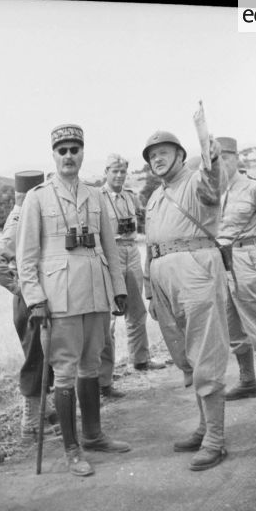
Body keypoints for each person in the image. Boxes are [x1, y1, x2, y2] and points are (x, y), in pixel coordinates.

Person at [17, 124, 131, 476]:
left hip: (96, 293)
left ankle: (94, 435)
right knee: (64, 372)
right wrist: (35, 299)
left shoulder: (95, 195)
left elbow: (109, 247)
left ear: (83, 153)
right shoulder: (37, 197)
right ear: (53, 155)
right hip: (60, 298)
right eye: (62, 150)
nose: (69, 156)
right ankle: (72, 449)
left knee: (91, 365)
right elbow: (26, 257)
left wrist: (119, 289)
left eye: (75, 150)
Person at [143, 130, 229, 471]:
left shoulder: (195, 183)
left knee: (205, 351)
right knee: (186, 357)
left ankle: (216, 440)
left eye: (164, 152)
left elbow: (213, 183)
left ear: (180, 155)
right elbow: (150, 246)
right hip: (164, 279)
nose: (157, 159)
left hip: (196, 271)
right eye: (152, 156)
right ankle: (204, 427)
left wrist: (212, 159)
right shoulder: (154, 198)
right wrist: (150, 289)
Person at [0, 170, 60, 442]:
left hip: (35, 296)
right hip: (30, 300)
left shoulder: (23, 214)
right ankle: (30, 423)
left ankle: (44, 412)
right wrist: (22, 290)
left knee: (44, 355)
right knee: (36, 359)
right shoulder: (19, 219)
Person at [98, 153, 164, 400]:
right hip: (110, 253)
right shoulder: (98, 197)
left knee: (136, 310)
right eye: (114, 171)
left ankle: (141, 358)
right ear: (106, 172)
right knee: (109, 318)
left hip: (132, 250)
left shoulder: (130, 196)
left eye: (122, 172)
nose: (118, 176)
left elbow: (140, 223)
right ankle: (105, 378)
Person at [216, 137, 256, 413]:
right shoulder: (212, 193)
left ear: (236, 158)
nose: (220, 164)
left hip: (249, 257)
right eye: (214, 159)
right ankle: (248, 380)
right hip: (221, 262)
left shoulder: (255, 188)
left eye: (224, 158)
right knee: (232, 325)